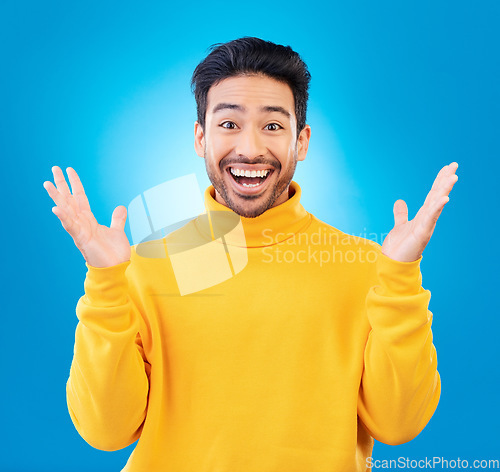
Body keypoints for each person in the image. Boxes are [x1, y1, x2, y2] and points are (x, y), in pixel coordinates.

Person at [43, 37, 459, 472]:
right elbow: (105, 432)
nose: (251, 148)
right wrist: (107, 282)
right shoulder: (147, 268)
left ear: (301, 141)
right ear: (201, 137)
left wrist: (401, 277)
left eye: (274, 126)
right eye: (228, 124)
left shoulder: (367, 268)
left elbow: (399, 425)